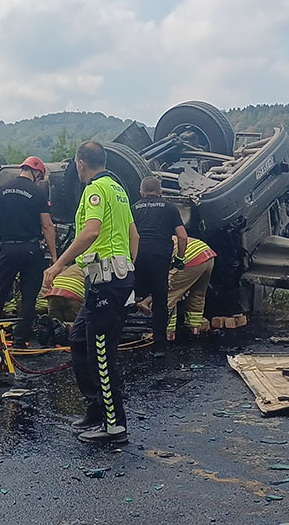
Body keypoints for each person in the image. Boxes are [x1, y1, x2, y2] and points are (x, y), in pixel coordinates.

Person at [44, 141, 138, 445]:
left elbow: (91, 231)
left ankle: (114, 426)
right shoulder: (119, 191)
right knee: (79, 338)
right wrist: (129, 269)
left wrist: (58, 264)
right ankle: (95, 409)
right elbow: (133, 235)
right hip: (113, 278)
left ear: (80, 163)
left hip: (106, 280)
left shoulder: (95, 190)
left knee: (102, 352)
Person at [0, 156, 57, 345]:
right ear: (37, 173)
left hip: (8, 248)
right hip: (31, 249)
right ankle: (20, 340)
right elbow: (47, 226)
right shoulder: (38, 193)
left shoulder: (1, 190)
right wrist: (55, 256)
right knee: (29, 296)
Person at [131, 176, 187, 356]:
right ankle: (159, 347)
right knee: (160, 302)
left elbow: (128, 235)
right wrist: (179, 259)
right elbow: (183, 236)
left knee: (127, 296)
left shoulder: (133, 208)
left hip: (137, 257)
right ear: (160, 192)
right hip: (160, 258)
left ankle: (116, 339)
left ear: (142, 193)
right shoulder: (170, 208)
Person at [138, 237, 217, 340]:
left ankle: (165, 333)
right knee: (197, 295)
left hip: (189, 258)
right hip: (207, 255)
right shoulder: (161, 237)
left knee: (167, 296)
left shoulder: (146, 247)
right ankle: (194, 330)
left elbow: (164, 283)